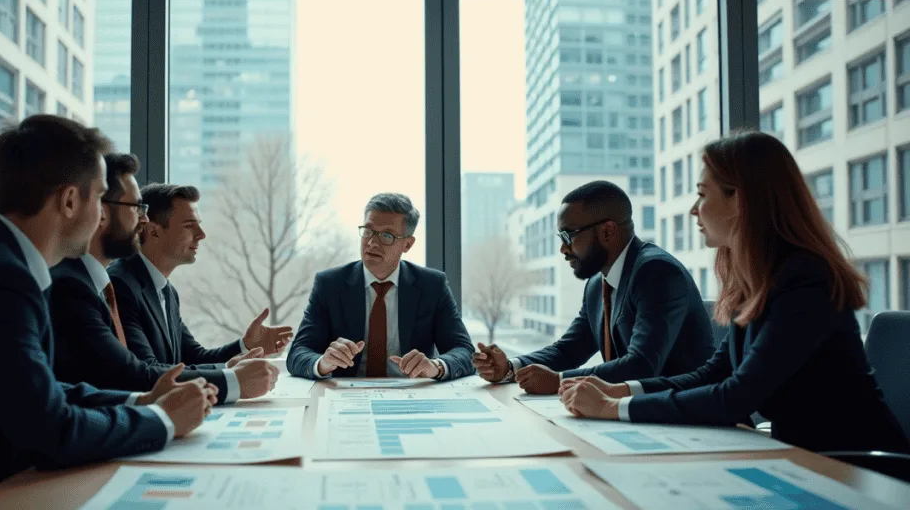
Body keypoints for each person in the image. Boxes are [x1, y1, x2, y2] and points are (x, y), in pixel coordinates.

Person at [0, 116, 211, 503]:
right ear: (71, 200)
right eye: (98, 198)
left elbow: (41, 391)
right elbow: (53, 430)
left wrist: (138, 402)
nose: (101, 216)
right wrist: (163, 420)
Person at [560, 132, 910, 454]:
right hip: (807, 460)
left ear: (740, 200)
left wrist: (612, 408)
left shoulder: (805, 280)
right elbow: (713, 374)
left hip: (863, 470)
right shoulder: (759, 279)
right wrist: (622, 391)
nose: (694, 210)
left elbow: (737, 396)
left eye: (702, 194)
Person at [50, 153, 278, 403]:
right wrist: (231, 380)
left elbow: (188, 358)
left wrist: (239, 354)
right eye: (137, 208)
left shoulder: (157, 290)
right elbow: (133, 375)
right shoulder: (97, 285)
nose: (144, 219)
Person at [475, 181, 714, 394]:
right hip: (639, 415)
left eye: (569, 236)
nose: (563, 249)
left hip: (694, 424)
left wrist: (559, 381)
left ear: (608, 231)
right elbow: (568, 351)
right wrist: (509, 368)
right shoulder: (596, 284)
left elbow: (642, 366)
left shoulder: (657, 272)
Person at [109, 184, 292, 375]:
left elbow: (195, 358)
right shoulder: (120, 285)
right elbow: (149, 372)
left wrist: (245, 345)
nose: (201, 234)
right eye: (189, 225)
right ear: (153, 231)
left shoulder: (166, 291)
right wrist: (231, 375)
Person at [287, 193, 474, 380]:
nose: (372, 243)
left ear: (407, 244)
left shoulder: (432, 285)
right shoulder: (330, 284)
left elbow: (464, 351)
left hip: (412, 394)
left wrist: (436, 367)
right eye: (368, 231)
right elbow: (298, 352)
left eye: (387, 235)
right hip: (346, 395)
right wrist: (323, 363)